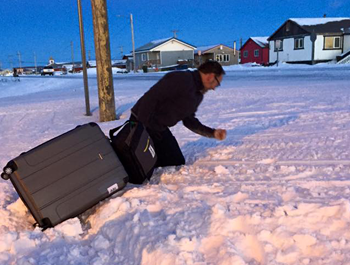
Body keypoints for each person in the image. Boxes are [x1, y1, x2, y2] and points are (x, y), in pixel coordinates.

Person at [131, 61, 227, 168]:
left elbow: (189, 120)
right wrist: (140, 129)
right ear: (210, 76)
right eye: (217, 84)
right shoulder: (181, 78)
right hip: (142, 121)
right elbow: (150, 98)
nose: (214, 88)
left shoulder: (197, 95)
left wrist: (212, 133)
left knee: (176, 161)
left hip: (159, 128)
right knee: (141, 159)